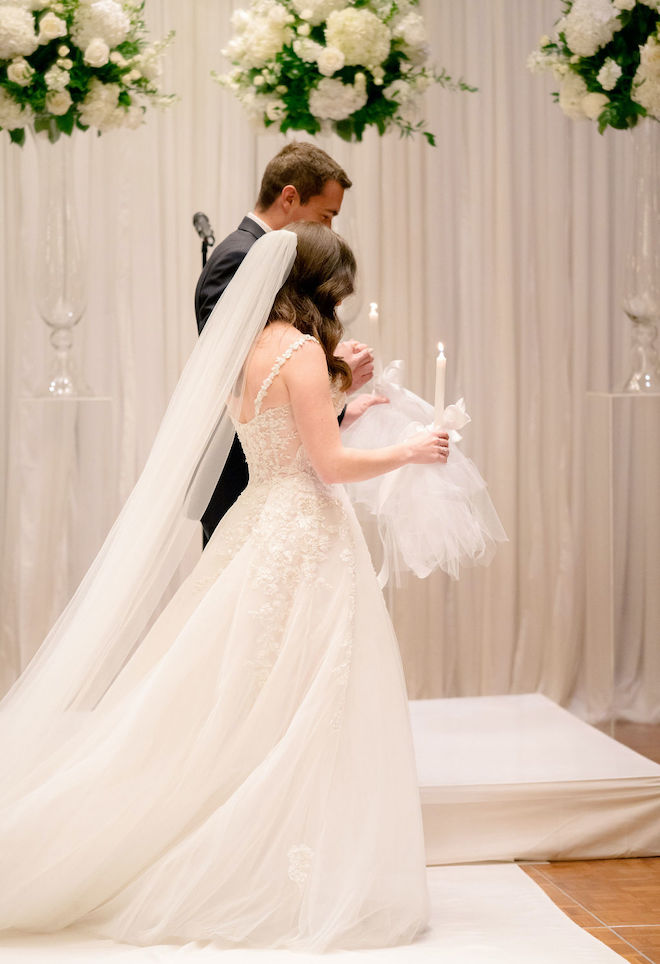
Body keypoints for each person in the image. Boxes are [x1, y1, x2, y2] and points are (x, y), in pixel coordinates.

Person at [0, 224, 450, 951]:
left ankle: (266, 851)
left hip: (256, 523)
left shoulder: (248, 348)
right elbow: (328, 465)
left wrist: (349, 406)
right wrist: (411, 449)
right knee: (307, 699)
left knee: (250, 694)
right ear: (319, 287)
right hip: (303, 534)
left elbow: (286, 431)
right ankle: (280, 867)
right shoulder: (304, 353)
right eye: (341, 289)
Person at [194, 141, 376, 541]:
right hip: (244, 473)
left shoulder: (260, 257)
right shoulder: (239, 258)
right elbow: (240, 368)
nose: (328, 230)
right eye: (326, 215)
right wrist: (331, 368)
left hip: (274, 478)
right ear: (290, 198)